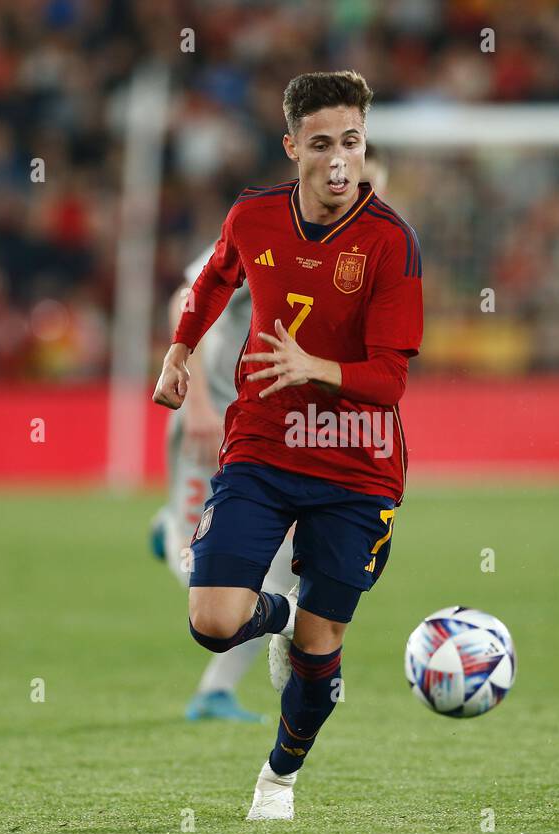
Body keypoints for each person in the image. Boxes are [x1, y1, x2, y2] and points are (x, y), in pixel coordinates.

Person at [152, 70, 422, 820]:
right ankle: (275, 611)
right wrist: (181, 351)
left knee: (318, 646)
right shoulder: (254, 218)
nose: (341, 160)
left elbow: (391, 381)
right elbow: (210, 282)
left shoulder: (392, 242)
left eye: (354, 142)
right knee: (212, 621)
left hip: (357, 466)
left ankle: (278, 778)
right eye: (325, 143)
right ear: (293, 146)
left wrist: (317, 368)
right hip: (264, 450)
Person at [153, 146, 392, 724]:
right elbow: (185, 302)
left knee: (282, 573)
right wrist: (203, 406)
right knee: (201, 573)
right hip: (214, 423)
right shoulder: (269, 231)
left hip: (279, 434)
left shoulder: (361, 249)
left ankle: (215, 690)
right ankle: (167, 533)